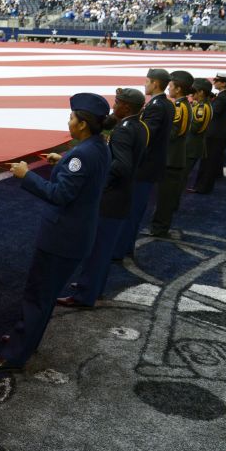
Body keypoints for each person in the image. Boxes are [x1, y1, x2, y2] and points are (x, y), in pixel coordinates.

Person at [0, 93, 111, 372]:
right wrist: (61, 160)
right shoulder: (97, 147)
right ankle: (27, 340)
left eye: (72, 117)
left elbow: (60, 194)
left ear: (83, 124)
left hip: (60, 238)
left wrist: (26, 175)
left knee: (37, 295)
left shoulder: (82, 154)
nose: (69, 121)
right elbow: (82, 173)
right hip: (76, 235)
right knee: (46, 295)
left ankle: (15, 353)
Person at [60, 88, 147, 307]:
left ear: (126, 106)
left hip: (111, 199)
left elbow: (122, 165)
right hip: (122, 197)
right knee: (103, 249)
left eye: (117, 102)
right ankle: (93, 287)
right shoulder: (139, 125)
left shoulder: (123, 130)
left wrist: (101, 180)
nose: (114, 105)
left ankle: (84, 295)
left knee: (97, 249)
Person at [114, 69, 172, 259]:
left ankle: (120, 250)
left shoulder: (155, 106)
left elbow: (146, 134)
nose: (145, 84)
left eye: (147, 81)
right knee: (135, 210)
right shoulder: (166, 103)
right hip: (152, 164)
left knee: (131, 210)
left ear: (155, 83)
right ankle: (126, 246)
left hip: (144, 166)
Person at [147, 71, 193, 237]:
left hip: (172, 159)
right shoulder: (180, 105)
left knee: (165, 198)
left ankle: (159, 228)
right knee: (166, 197)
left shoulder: (180, 107)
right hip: (173, 157)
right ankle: (159, 226)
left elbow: (174, 134)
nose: (168, 89)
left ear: (179, 89)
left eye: (171, 86)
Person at [194, 72, 226, 193]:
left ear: (223, 83)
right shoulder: (224, 95)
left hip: (216, 134)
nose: (214, 82)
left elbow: (212, 112)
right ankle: (206, 183)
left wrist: (203, 104)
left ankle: (204, 187)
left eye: (217, 80)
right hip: (219, 132)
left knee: (209, 162)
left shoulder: (222, 98)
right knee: (213, 160)